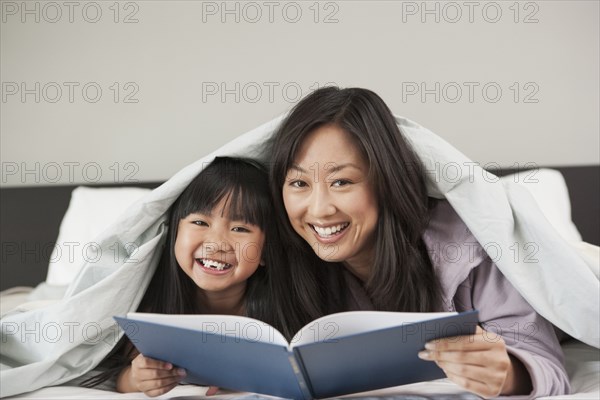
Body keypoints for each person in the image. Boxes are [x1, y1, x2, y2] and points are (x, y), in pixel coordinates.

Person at [268, 87, 570, 398]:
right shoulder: (279, 252)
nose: (319, 209)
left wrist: (508, 372)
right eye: (299, 183)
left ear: (386, 181)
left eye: (342, 182)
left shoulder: (473, 245)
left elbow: (550, 369)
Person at [81, 156, 283, 397]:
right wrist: (137, 378)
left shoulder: (281, 310)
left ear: (265, 251)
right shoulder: (152, 305)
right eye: (200, 222)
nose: (216, 243)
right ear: (175, 232)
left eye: (240, 228)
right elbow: (123, 377)